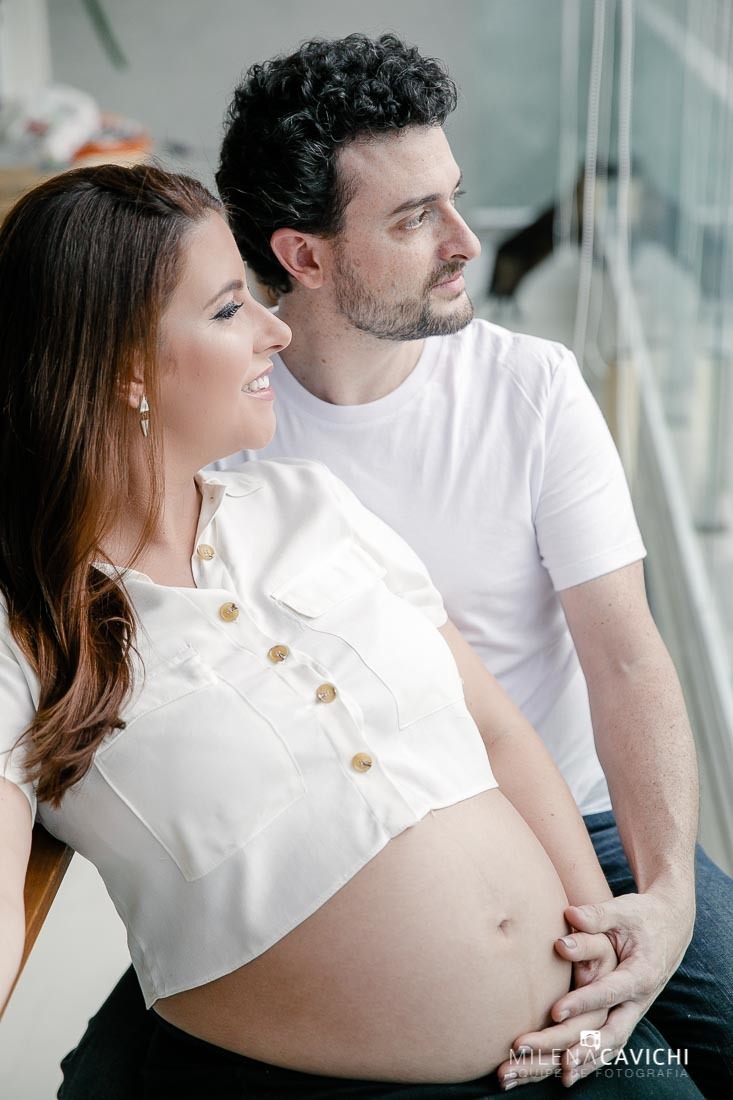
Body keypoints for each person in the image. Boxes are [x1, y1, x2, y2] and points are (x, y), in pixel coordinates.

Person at [57, 34, 731, 1100]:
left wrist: (663, 898)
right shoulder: (217, 425)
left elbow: (625, 658)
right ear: (306, 256)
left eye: (452, 197)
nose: (467, 241)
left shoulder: (531, 388)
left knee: (710, 1033)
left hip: (582, 823)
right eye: (416, 218)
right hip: (345, 842)